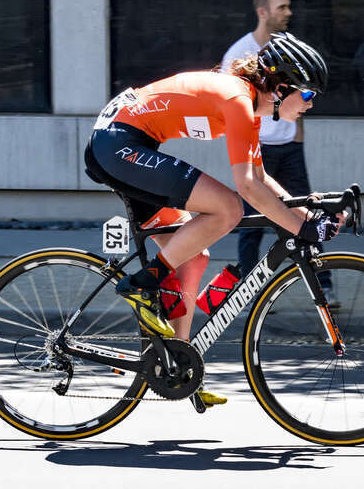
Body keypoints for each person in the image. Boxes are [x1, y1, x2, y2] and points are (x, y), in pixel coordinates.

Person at [84, 32, 341, 406]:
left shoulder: (250, 107)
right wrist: (301, 227)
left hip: (126, 144)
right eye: (307, 94)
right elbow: (248, 189)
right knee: (229, 208)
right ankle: (144, 284)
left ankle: (177, 364)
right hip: (119, 144)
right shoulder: (238, 99)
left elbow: (261, 178)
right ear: (282, 86)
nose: (311, 104)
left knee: (194, 256)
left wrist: (309, 216)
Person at [222, 0, 337, 306]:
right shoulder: (239, 52)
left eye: (288, 6)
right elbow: (235, 109)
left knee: (305, 210)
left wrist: (296, 135)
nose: (289, 13)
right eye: (282, 7)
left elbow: (300, 91)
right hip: (257, 146)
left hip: (287, 147)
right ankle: (249, 290)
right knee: (251, 222)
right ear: (263, 12)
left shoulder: (289, 49)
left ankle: (323, 283)